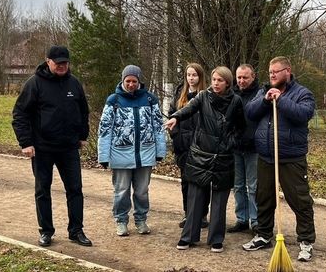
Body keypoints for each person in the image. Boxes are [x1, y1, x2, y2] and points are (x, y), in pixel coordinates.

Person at [12, 45, 92, 248]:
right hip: (42, 148)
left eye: (65, 63)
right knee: (42, 190)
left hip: (68, 147)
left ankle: (76, 230)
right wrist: (26, 143)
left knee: (75, 189)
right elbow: (20, 114)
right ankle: (46, 231)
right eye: (58, 63)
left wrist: (82, 135)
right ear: (48, 62)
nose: (62, 66)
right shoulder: (34, 84)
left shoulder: (74, 84)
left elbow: (83, 111)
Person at [242, 56, 317, 261]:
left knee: (300, 201)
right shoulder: (263, 91)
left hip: (291, 158)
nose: (273, 75)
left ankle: (306, 241)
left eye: (276, 71)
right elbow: (250, 112)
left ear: (288, 71)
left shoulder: (303, 93)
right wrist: (266, 100)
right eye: (270, 72)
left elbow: (303, 114)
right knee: (264, 198)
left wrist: (281, 100)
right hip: (266, 156)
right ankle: (264, 235)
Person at [165, 66, 244, 252]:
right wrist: (175, 117)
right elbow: (188, 109)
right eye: (214, 79)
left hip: (223, 157)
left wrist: (229, 143)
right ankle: (188, 236)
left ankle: (216, 239)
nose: (216, 83)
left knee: (219, 202)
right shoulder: (202, 96)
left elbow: (241, 128)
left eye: (220, 80)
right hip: (200, 154)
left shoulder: (236, 101)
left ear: (227, 83)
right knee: (195, 200)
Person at [97, 65, 167, 236]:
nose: (131, 84)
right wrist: (103, 156)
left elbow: (158, 127)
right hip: (120, 154)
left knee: (142, 191)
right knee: (121, 190)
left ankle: (141, 219)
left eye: (134, 81)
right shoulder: (114, 101)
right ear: (122, 81)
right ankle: (121, 220)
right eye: (127, 81)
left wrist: (160, 151)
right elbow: (105, 129)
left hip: (145, 153)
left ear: (139, 81)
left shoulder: (150, 100)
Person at [168, 63, 209, 229]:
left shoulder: (206, 95)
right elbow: (172, 116)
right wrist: (176, 135)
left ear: (200, 77)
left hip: (202, 146)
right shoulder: (179, 95)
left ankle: (202, 214)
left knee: (203, 182)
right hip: (183, 146)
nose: (191, 78)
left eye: (194, 75)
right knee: (186, 182)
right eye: (189, 75)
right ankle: (188, 213)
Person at [228, 64, 260, 233]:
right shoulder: (231, 94)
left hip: (253, 147)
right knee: (238, 185)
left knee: (253, 186)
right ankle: (242, 218)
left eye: (245, 77)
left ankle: (255, 220)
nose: (241, 81)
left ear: (252, 77)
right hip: (235, 146)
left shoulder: (259, 94)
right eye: (239, 77)